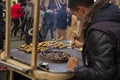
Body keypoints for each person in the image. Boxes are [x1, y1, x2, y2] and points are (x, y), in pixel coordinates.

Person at [66, 0, 120, 80]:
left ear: (82, 10)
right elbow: (112, 44)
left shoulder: (97, 31)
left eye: (75, 14)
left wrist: (76, 69)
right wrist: (85, 44)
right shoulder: (109, 16)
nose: (77, 18)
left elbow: (102, 75)